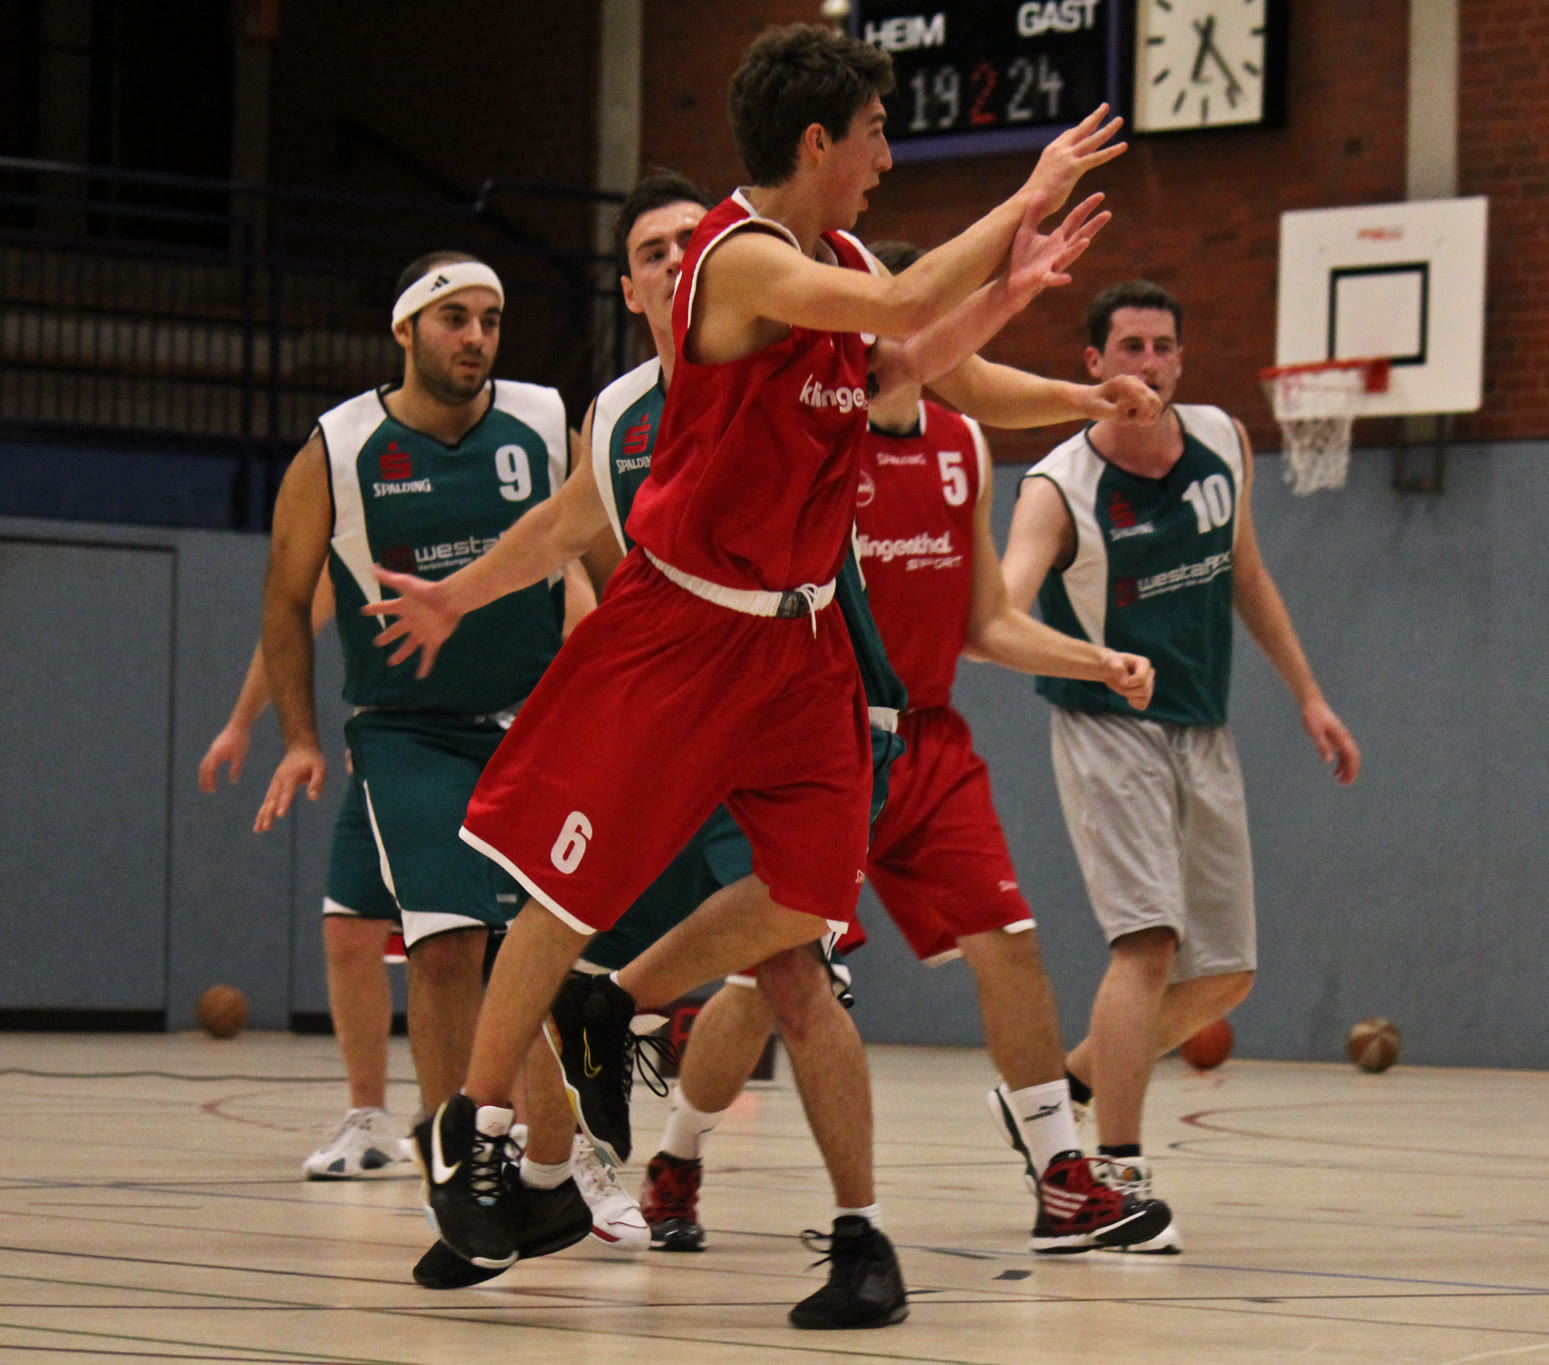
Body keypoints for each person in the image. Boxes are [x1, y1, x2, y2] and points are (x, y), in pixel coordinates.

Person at [372, 27, 1137, 1326]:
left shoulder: (837, 262)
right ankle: (473, 1126)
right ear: (818, 140)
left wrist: (1040, 328)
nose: (888, 159)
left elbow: (913, 364)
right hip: (681, 627)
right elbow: (898, 311)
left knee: (803, 913)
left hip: (798, 645)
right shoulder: (737, 262)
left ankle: (714, 1104)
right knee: (564, 882)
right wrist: (1027, 193)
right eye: (877, 135)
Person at [617, 233, 1173, 1256]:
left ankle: (1060, 1177)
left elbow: (983, 622)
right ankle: (677, 1157)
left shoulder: (962, 446)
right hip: (821, 739)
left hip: (928, 742)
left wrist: (1094, 660)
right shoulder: (817, 437)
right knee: (772, 982)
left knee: (1009, 940)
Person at [254, 248, 608, 1269]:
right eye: (455, 318)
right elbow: (285, 598)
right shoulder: (339, 447)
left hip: (538, 724)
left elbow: (612, 557)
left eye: (491, 319)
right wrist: (300, 736)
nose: (476, 338)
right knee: (447, 945)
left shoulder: (544, 421)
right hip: (408, 729)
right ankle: (461, 1167)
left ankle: (554, 1163)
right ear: (405, 329)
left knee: (548, 955)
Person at [1001, 279, 1362, 1252]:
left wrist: (1308, 694)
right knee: (1148, 944)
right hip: (1106, 723)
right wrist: (1091, 662)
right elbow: (999, 613)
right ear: (1093, 366)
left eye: (1162, 347)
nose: (1148, 364)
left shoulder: (1222, 442)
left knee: (1225, 975)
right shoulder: (1057, 488)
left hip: (1203, 726)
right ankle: (1113, 1175)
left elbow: (1247, 574)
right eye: (1129, 347)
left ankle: (1063, 1088)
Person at [201, 578, 412, 1179]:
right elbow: (289, 624)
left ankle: (490, 1120)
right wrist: (240, 722)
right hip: (382, 749)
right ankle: (369, 1121)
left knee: (466, 948)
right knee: (347, 930)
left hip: (482, 742)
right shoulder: (346, 538)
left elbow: (577, 613)